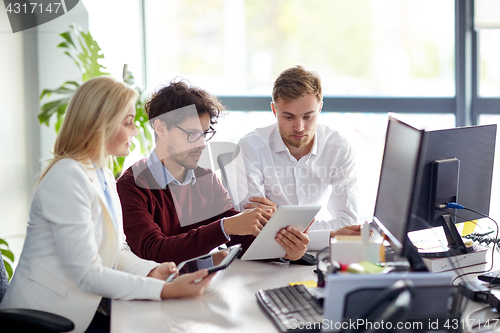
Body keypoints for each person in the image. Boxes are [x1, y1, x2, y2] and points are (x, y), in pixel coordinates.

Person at [0, 76, 215, 333]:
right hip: (44, 319)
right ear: (100, 125)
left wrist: (152, 271)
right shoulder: (67, 177)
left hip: (81, 312)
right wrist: (165, 290)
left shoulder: (102, 173)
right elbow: (88, 274)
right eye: (128, 123)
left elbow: (116, 251)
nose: (135, 130)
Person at [117, 80, 309, 265]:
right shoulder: (131, 186)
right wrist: (225, 226)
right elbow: (153, 250)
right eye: (192, 134)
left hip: (198, 288)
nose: (201, 144)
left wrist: (286, 250)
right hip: (155, 294)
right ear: (161, 128)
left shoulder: (205, 179)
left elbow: (239, 238)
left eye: (204, 134)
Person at [232, 65, 361, 251]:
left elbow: (347, 221)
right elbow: (252, 227)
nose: (299, 127)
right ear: (274, 110)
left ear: (320, 109)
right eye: (289, 117)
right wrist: (330, 237)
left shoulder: (339, 148)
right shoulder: (250, 148)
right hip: (262, 261)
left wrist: (278, 221)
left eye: (308, 116)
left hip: (314, 258)